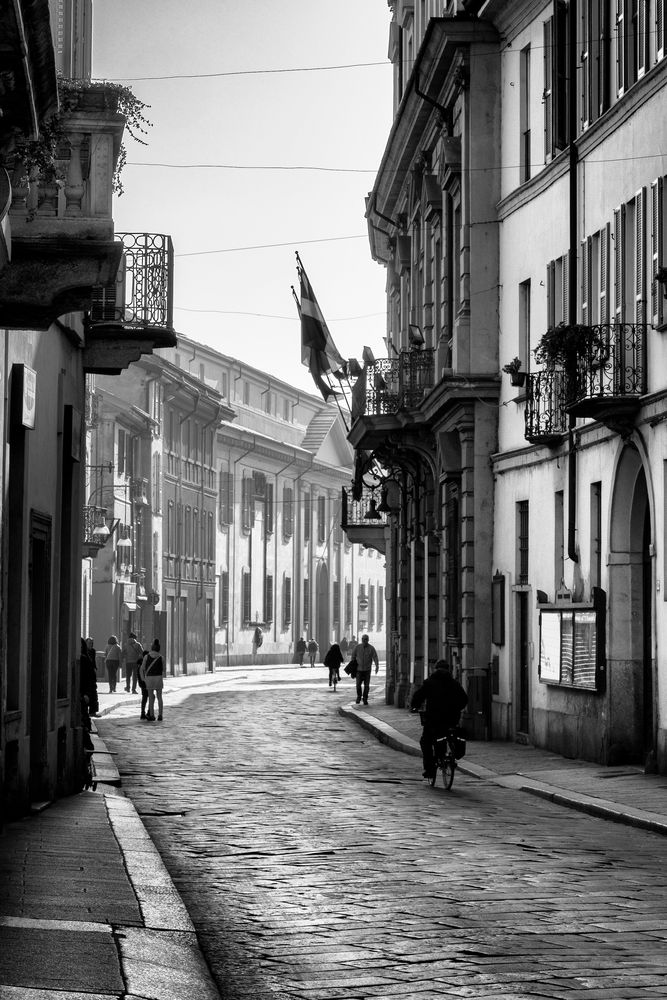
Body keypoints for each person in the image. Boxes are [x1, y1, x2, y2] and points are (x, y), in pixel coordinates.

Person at [411, 659, 468, 780]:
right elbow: (464, 699)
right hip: (452, 719)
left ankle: (429, 768)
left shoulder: (430, 682)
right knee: (447, 735)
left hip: (434, 720)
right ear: (448, 669)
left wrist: (414, 706)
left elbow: (418, 696)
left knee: (425, 741)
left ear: (435, 669)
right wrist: (456, 708)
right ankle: (448, 757)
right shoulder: (454, 683)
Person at [352, 634, 379, 705]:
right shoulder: (357, 647)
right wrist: (352, 665)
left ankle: (365, 698)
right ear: (362, 640)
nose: (364, 641)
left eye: (366, 639)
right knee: (358, 684)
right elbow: (353, 656)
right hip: (359, 669)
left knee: (366, 685)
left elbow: (375, 657)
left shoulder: (371, 648)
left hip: (367, 670)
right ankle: (358, 696)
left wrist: (377, 666)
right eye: (363, 639)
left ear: (368, 640)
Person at [141, 639, 164, 722]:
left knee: (151, 697)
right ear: (158, 649)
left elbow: (142, 669)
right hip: (158, 678)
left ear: (152, 648)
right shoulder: (161, 657)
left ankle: (151, 715)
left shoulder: (146, 656)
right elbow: (163, 670)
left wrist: (143, 679)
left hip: (149, 679)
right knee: (159, 697)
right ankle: (160, 715)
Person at [80, 638, 99, 717]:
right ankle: (88, 713)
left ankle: (93, 711)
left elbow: (93, 661)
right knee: (89, 694)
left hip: (92, 675)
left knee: (94, 694)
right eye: (89, 643)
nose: (90, 644)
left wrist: (95, 668)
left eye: (92, 643)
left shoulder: (93, 651)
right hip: (87, 678)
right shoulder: (84, 655)